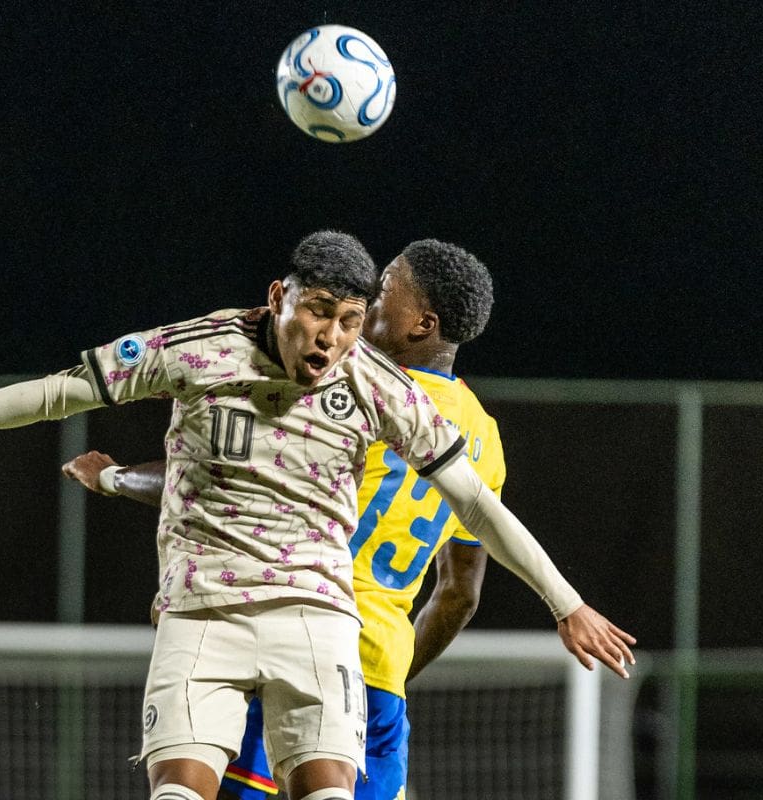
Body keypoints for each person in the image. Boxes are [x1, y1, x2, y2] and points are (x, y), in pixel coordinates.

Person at [0, 230, 634, 800]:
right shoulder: (196, 349)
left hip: (321, 626)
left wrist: (567, 603)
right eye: (319, 312)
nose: (332, 338)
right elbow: (61, 391)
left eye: (354, 319)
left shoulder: (379, 389)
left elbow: (477, 506)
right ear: (277, 297)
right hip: (208, 617)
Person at [60, 239, 506, 800]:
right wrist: (383, 672)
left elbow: (216, 483)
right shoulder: (483, 438)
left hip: (294, 635)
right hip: (380, 681)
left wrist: (114, 477)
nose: (366, 299)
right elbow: (460, 593)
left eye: (385, 288)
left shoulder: (349, 399)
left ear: (422, 323)